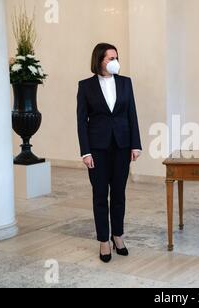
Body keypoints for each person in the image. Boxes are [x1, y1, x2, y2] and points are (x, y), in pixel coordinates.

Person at [77, 43, 142, 263]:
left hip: (122, 146)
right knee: (99, 195)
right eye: (110, 58)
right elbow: (81, 122)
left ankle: (118, 236)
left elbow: (132, 114)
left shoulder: (126, 83)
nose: (115, 61)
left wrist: (136, 145)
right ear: (99, 60)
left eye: (116, 57)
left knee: (118, 194)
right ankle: (104, 240)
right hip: (97, 148)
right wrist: (85, 152)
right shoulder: (85, 86)